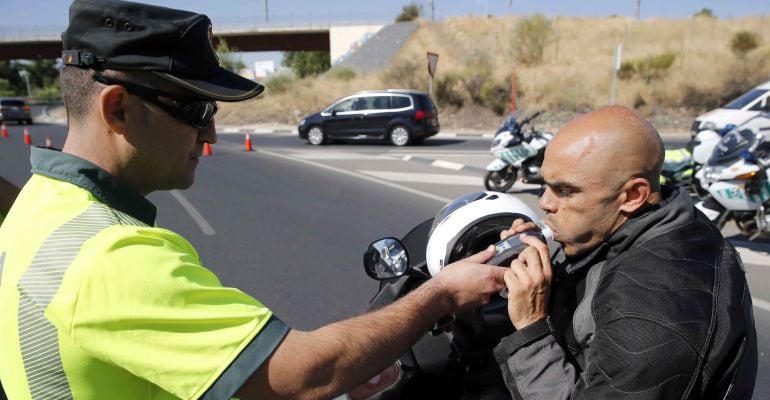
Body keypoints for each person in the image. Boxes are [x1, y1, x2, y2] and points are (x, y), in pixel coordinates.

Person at [0, 1, 509, 399]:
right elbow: (308, 373)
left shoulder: (40, 204)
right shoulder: (111, 256)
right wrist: (441, 293)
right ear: (119, 109)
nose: (211, 133)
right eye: (196, 107)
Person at [494, 106, 758, 399]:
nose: (544, 203)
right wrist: (544, 267)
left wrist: (531, 328)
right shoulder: (673, 218)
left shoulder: (650, 316)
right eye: (545, 185)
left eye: (565, 191)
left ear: (633, 195)